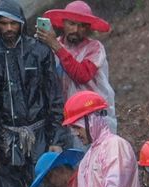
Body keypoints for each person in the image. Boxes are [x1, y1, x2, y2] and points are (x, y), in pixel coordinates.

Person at [0, 0, 66, 187]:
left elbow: (54, 98)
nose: (9, 28)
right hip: (6, 140)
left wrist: (56, 138)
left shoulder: (39, 51)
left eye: (13, 23)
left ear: (22, 23)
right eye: (3, 23)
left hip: (39, 136)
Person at [33, 91, 140, 187]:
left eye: (77, 127)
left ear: (92, 119)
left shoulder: (115, 146)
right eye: (72, 129)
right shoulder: (87, 158)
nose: (76, 133)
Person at [38, 1, 117, 133]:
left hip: (94, 116)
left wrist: (56, 46)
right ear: (63, 24)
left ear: (88, 28)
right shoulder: (50, 46)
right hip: (64, 118)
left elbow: (82, 75)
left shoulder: (95, 48)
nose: (76, 30)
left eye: (82, 26)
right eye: (72, 24)